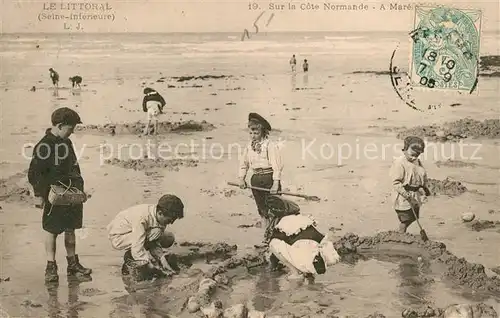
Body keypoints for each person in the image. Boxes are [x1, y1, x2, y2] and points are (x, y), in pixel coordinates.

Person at [28, 107, 92, 283]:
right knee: (52, 230)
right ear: (60, 125)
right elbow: (35, 172)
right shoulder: (44, 145)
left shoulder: (67, 143)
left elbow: (74, 166)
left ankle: (72, 264)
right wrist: (39, 195)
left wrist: (80, 189)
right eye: (70, 129)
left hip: (71, 192)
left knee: (71, 229)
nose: (72, 132)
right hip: (53, 194)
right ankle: (51, 265)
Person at [107, 194, 184, 282]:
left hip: (136, 234)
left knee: (168, 237)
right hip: (119, 237)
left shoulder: (160, 217)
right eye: (169, 220)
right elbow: (137, 246)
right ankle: (130, 258)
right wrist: (153, 266)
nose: (171, 223)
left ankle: (141, 258)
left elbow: (155, 243)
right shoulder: (142, 218)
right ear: (160, 213)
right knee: (143, 261)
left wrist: (161, 259)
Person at [267, 201, 340, 283]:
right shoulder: (303, 219)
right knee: (301, 244)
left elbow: (275, 245)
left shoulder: (282, 223)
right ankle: (309, 274)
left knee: (273, 244)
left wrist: (273, 265)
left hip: (311, 258)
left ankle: (296, 273)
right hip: (325, 255)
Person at [239, 113, 284, 244]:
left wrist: (276, 183)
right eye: (251, 133)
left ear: (263, 131)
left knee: (274, 209)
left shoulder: (270, 145)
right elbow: (244, 163)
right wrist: (242, 178)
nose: (253, 136)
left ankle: (275, 237)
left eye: (256, 132)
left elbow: (277, 166)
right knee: (262, 209)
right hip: (256, 179)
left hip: (269, 178)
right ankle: (266, 236)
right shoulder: (249, 146)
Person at [390, 136, 431, 233]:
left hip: (415, 195)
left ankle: (401, 231)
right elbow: (396, 183)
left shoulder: (417, 161)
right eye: (412, 155)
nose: (414, 157)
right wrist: (406, 195)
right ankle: (401, 233)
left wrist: (424, 189)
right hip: (403, 196)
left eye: (417, 155)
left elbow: (422, 174)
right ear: (404, 150)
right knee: (405, 218)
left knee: (414, 217)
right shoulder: (399, 163)